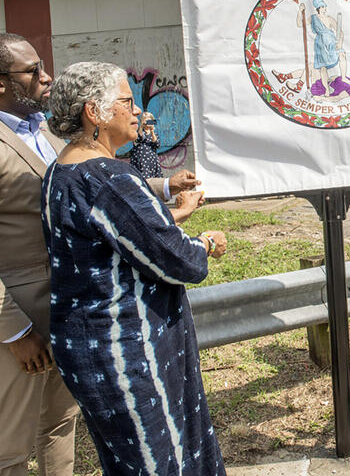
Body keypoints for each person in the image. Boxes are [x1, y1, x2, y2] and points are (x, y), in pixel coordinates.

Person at [42, 61, 228, 475]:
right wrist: (207, 244)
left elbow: (118, 237)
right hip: (128, 349)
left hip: (88, 348)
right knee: (161, 461)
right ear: (96, 112)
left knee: (127, 463)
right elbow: (178, 260)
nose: (138, 111)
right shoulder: (110, 177)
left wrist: (172, 216)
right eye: (127, 101)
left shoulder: (60, 171)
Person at [0, 33, 79, 476]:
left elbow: (85, 189)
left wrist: (164, 189)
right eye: (32, 71)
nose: (46, 77)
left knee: (60, 425)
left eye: (42, 66)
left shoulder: (47, 132)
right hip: (18, 319)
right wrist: (13, 332)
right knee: (9, 446)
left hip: (65, 306)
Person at [130, 111, 163, 178]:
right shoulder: (138, 132)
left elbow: (157, 145)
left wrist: (152, 131)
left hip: (152, 159)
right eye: (146, 120)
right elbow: (138, 139)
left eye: (149, 121)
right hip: (141, 159)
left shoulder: (154, 134)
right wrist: (141, 127)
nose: (148, 122)